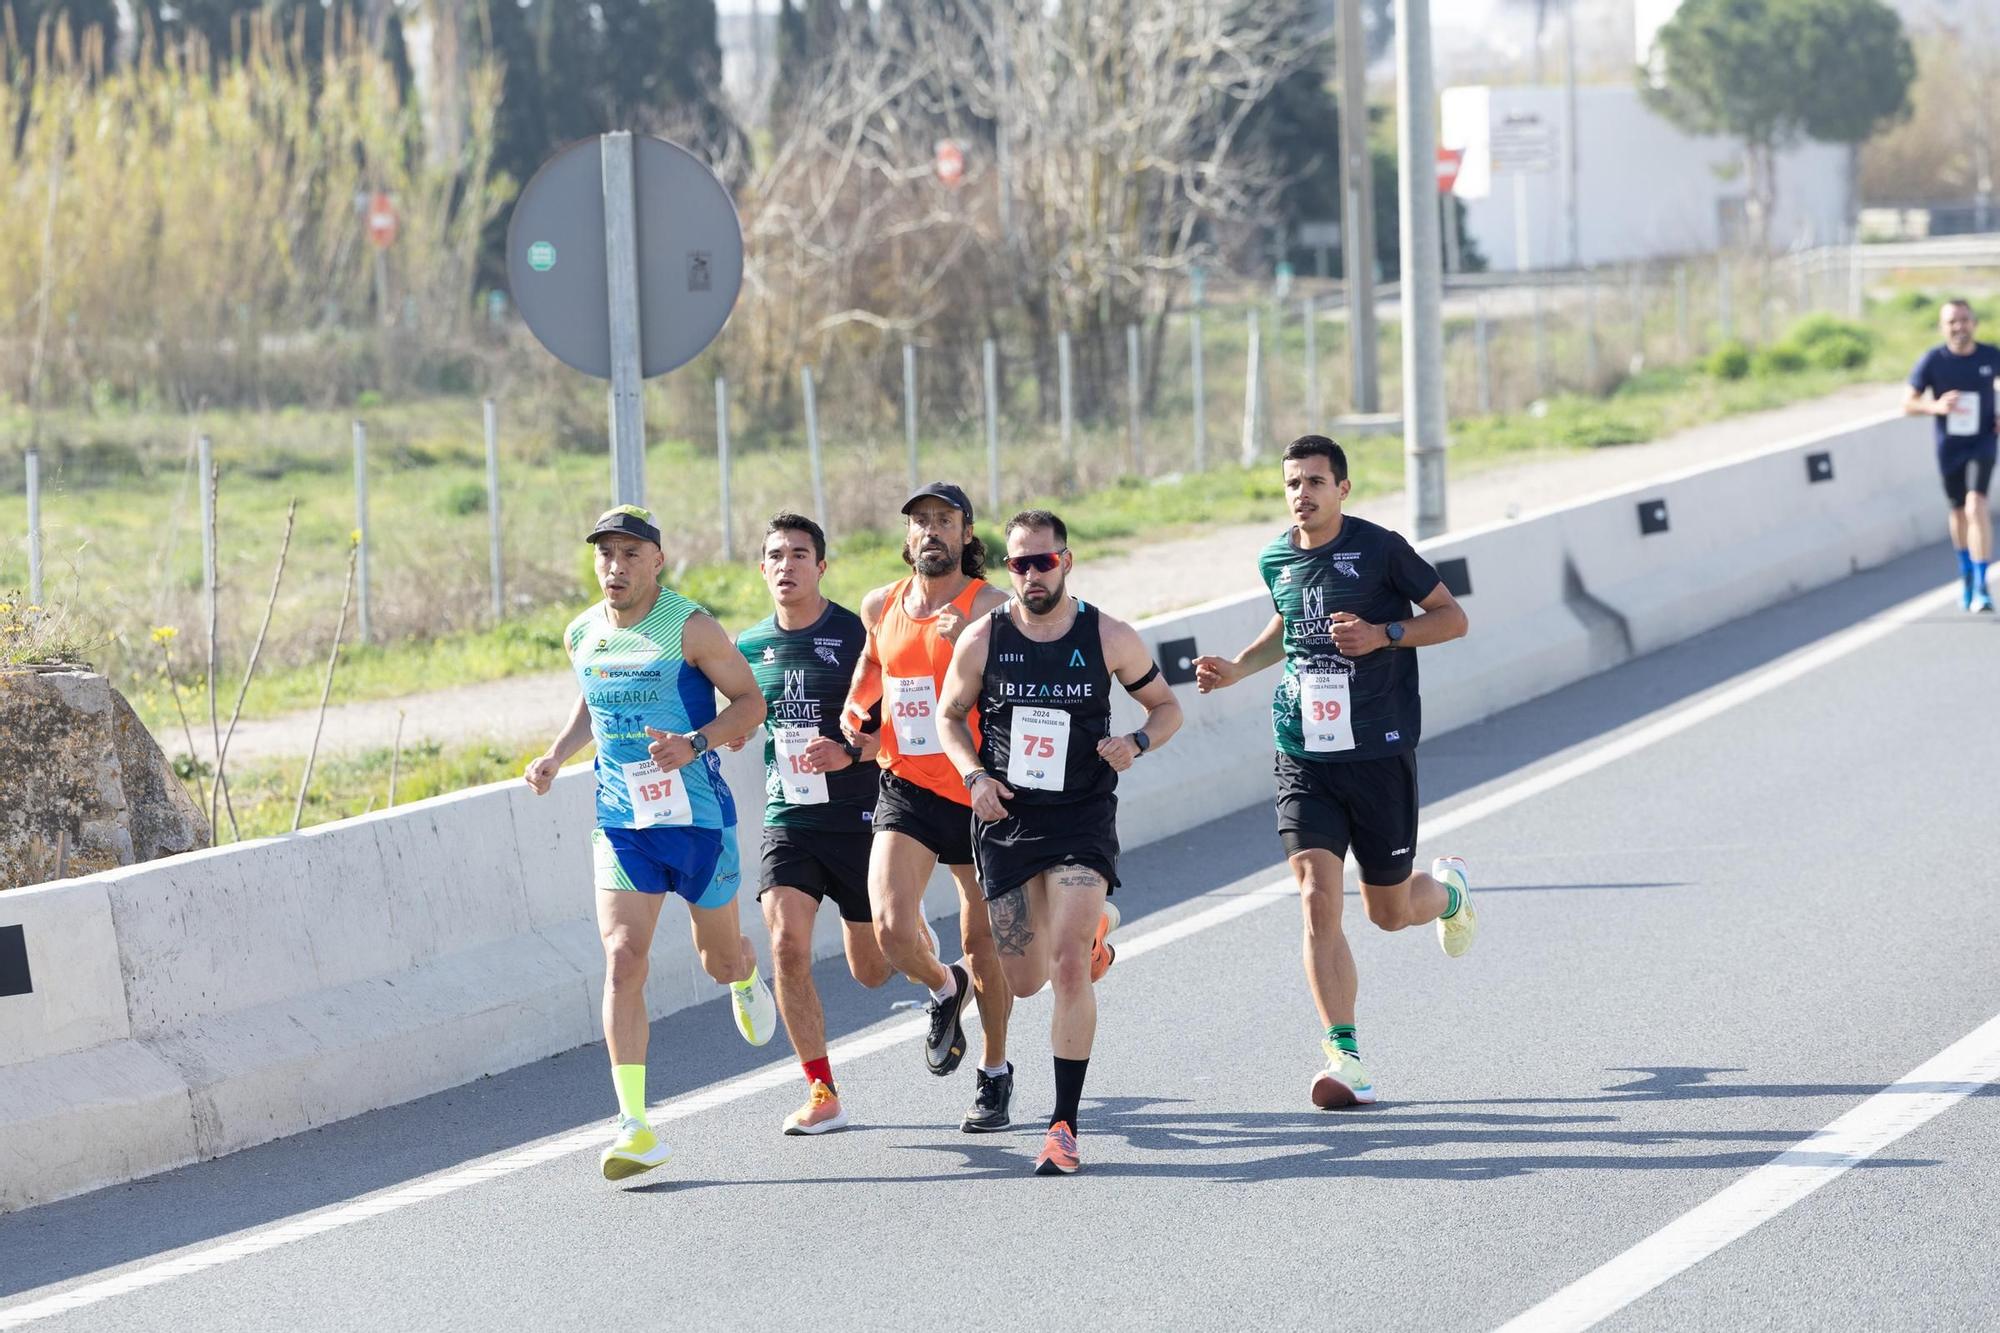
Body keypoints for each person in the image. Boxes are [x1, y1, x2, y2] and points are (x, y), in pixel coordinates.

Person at [1193, 435, 1473, 1111]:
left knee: (1389, 910)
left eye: (1316, 481)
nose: (1303, 493)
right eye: (1293, 482)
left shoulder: (1381, 549)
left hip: (1376, 753)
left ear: (1342, 488)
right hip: (1303, 751)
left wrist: (1386, 635)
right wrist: (1236, 667)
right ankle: (1345, 1054)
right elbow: (1288, 625)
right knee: (1318, 893)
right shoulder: (1275, 557)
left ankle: (1450, 893)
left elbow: (1452, 618)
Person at [523, 504, 776, 1181]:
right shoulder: (581, 632)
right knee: (623, 957)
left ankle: (745, 969)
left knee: (716, 960)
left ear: (657, 561)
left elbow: (751, 703)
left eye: (631, 553)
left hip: (696, 821)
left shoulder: (690, 627)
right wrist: (554, 755)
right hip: (621, 822)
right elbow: (591, 700)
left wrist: (693, 743)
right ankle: (634, 1124)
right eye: (606, 553)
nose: (616, 565)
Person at [939, 510, 1182, 1175]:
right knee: (1024, 982)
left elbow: (1167, 707)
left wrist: (1135, 741)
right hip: (1009, 820)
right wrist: (974, 774)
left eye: (1042, 562)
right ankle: (1097, 931)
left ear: (1067, 561)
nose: (1031, 575)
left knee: (1069, 965)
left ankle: (1063, 1126)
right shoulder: (983, 638)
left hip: (1081, 815)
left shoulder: (1106, 634)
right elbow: (949, 714)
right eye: (1018, 564)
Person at [842, 482, 1017, 1132]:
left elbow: (1043, 652)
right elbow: (872, 663)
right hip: (907, 786)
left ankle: (994, 1072)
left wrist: (979, 639)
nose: (931, 531)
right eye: (920, 521)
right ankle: (946, 989)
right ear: (908, 535)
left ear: (968, 533)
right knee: (890, 930)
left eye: (944, 520)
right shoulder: (881, 602)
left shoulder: (992, 604)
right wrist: (856, 716)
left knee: (982, 940)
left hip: (978, 788)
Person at [734, 514, 893, 1136]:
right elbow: (742, 715)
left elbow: (903, 732)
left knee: (873, 971)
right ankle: (821, 1090)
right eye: (775, 555)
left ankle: (920, 952)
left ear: (821, 567)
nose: (786, 565)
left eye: (799, 554)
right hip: (788, 818)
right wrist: (735, 730)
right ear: (762, 567)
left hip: (858, 815)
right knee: (786, 945)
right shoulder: (748, 647)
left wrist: (850, 751)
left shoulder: (859, 636)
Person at [1904, 298, 2000, 612]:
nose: (1959, 327)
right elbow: (1908, 403)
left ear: (1974, 323)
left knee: (1977, 504)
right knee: (1959, 511)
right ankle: (1967, 575)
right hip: (1949, 447)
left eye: (1964, 320)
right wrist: (1936, 406)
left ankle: (1983, 584)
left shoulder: (1990, 356)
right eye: (1952, 322)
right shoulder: (1933, 360)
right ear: (1942, 326)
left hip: (1983, 442)